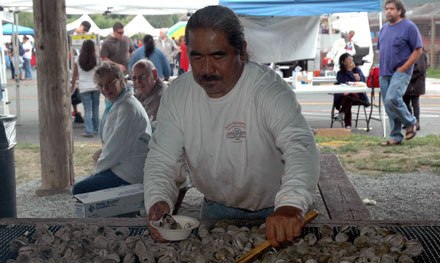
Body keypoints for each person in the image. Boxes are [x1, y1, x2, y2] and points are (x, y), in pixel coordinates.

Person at [143, 5, 320, 248]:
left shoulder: (267, 90)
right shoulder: (179, 94)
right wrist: (158, 200)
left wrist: (291, 205)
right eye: (197, 57)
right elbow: (163, 158)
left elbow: (300, 146)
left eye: (218, 56)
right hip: (215, 209)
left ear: (242, 52)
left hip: (277, 212)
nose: (207, 69)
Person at [72, 62, 152, 195]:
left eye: (110, 83)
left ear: (121, 81)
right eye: (101, 85)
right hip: (124, 165)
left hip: (129, 174)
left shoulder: (128, 108)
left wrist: (96, 171)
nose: (105, 89)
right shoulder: (120, 103)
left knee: (80, 190)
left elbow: (115, 148)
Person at [378, 0, 422, 146]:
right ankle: (395, 137)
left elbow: (418, 50)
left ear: (400, 11)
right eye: (387, 9)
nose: (388, 11)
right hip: (384, 73)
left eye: (391, 9)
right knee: (389, 106)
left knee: (392, 98)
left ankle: (411, 122)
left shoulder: (409, 27)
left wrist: (404, 68)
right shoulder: (384, 28)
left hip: (401, 72)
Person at [70, 40, 100, 137]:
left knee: (87, 110)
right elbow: (99, 74)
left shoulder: (77, 59)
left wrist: (73, 86)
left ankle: (88, 130)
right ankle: (96, 129)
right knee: (95, 109)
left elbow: (75, 75)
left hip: (83, 87)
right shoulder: (97, 59)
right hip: (96, 86)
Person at [334, 53, 369, 129]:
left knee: (349, 96)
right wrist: (350, 71)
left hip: (358, 97)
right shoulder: (340, 73)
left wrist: (359, 79)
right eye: (348, 60)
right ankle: (347, 124)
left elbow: (364, 82)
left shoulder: (357, 70)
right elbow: (342, 82)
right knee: (348, 98)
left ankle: (342, 115)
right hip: (345, 97)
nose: (351, 61)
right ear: (343, 62)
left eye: (351, 59)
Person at [403, 49, 427, 131]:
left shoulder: (420, 53)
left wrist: (406, 74)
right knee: (405, 102)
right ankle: (410, 121)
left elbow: (420, 69)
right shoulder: (410, 52)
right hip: (408, 82)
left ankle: (416, 122)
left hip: (416, 82)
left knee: (414, 103)